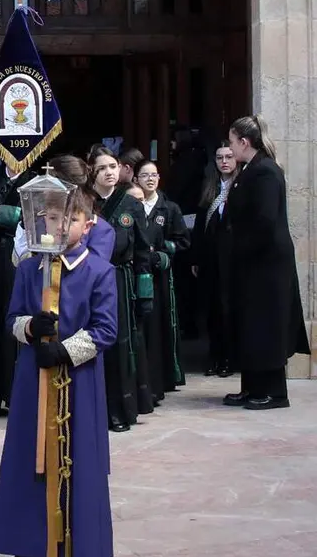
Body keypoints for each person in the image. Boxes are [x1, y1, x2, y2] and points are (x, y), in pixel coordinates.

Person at [0, 186, 118, 557]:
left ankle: (91, 554)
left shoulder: (100, 270)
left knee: (84, 460)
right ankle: (29, 547)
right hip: (33, 379)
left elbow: (106, 329)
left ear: (87, 225)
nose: (58, 226)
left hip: (78, 380)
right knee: (30, 455)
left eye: (69, 219)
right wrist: (30, 327)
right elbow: (10, 318)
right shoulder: (29, 268)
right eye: (51, 218)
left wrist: (63, 351)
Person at [222, 115, 309, 410]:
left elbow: (265, 220)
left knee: (266, 326)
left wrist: (243, 248)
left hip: (266, 263)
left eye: (232, 142)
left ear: (244, 142)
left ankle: (274, 392)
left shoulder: (266, 172)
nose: (230, 148)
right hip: (252, 262)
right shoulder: (250, 170)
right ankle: (252, 386)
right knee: (251, 325)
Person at [89, 146, 152, 431]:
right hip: (89, 283)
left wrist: (145, 292)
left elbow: (142, 251)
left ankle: (119, 410)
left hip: (120, 280)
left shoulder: (130, 205)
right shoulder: (84, 202)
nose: (110, 172)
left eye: (113, 166)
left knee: (119, 347)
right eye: (103, 168)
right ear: (92, 172)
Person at [134, 160, 190, 402]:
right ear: (136, 179)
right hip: (137, 273)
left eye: (154, 175)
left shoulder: (169, 208)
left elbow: (183, 242)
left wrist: (162, 252)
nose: (150, 179)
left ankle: (164, 376)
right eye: (145, 175)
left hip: (160, 277)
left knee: (160, 325)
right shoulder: (131, 204)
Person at [192, 143, 239, 377]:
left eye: (229, 157)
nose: (224, 162)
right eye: (220, 157)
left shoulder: (241, 186)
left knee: (229, 309)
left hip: (233, 259)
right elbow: (201, 224)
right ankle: (214, 356)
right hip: (210, 258)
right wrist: (196, 257)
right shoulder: (210, 187)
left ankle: (229, 359)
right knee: (212, 310)